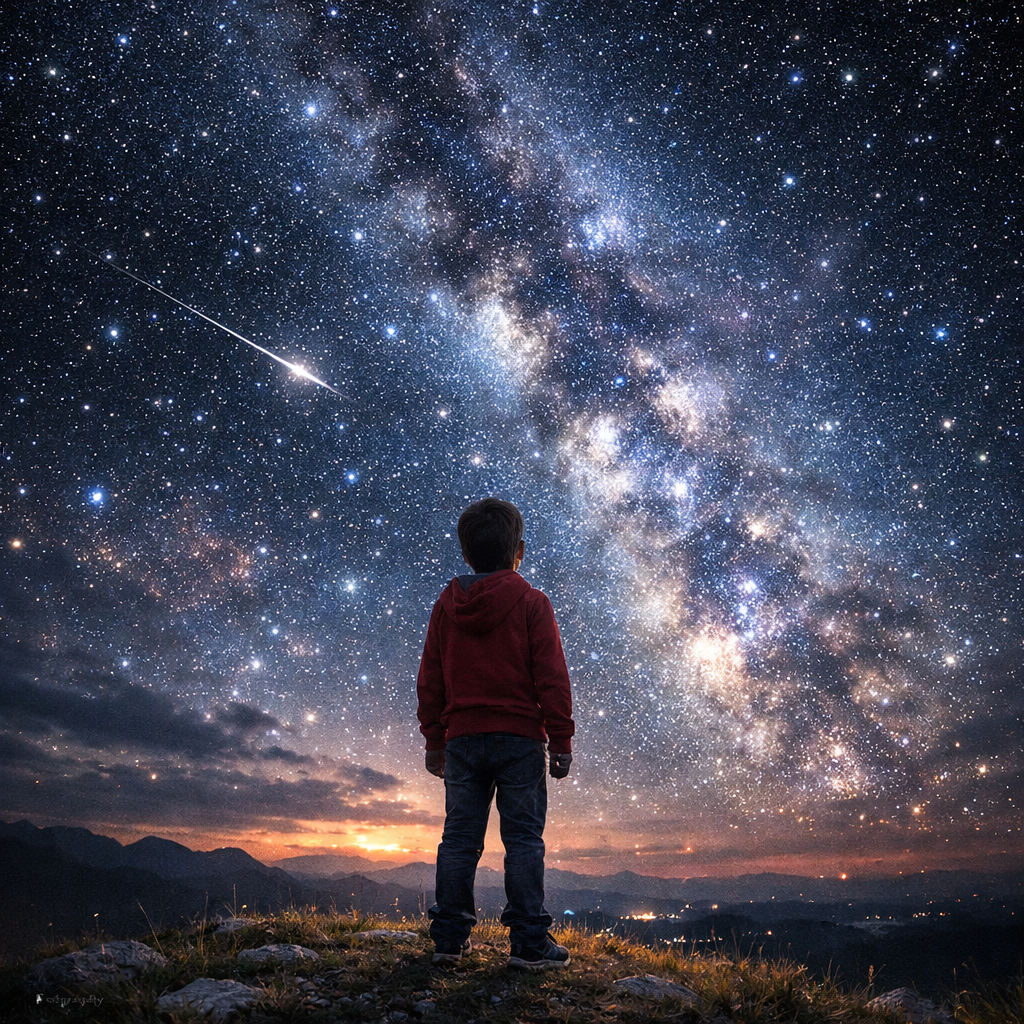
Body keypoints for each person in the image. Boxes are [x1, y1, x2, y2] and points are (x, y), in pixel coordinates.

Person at [416, 497, 575, 970]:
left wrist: (434, 738)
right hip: (521, 739)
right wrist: (561, 740)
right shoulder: (532, 603)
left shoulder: (446, 607)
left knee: (459, 838)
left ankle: (449, 938)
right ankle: (528, 943)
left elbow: (430, 678)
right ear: (519, 551)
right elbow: (552, 678)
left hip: (463, 739)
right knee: (524, 839)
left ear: (466, 554)